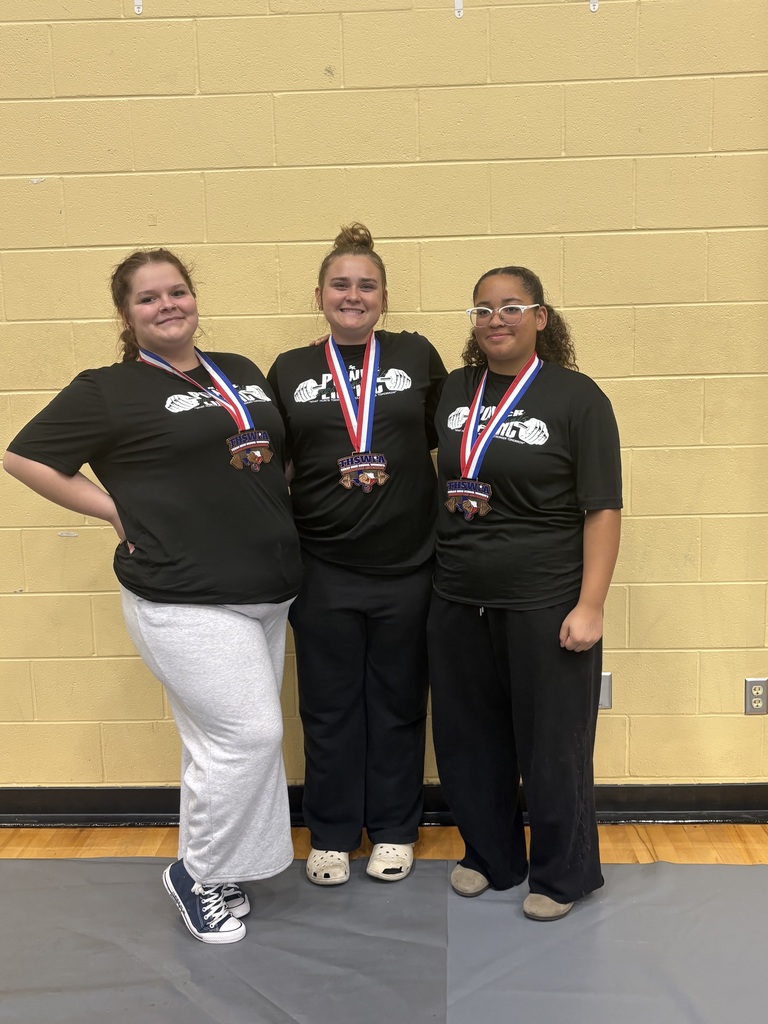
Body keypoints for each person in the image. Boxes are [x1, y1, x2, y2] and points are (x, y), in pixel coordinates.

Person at [4, 249, 303, 944]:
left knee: (215, 745)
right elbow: (23, 457)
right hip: (184, 594)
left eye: (177, 291)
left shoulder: (240, 371)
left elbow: (269, 456)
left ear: (194, 298)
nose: (167, 305)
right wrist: (114, 510)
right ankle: (197, 876)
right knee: (250, 736)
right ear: (126, 313)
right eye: (148, 297)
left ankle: (220, 868)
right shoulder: (108, 388)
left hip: (267, 589)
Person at [427, 265, 621, 921]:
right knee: (470, 738)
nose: (496, 319)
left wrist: (590, 604)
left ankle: (563, 874)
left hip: (546, 598)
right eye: (483, 308)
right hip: (459, 594)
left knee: (553, 745)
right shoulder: (454, 390)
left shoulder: (577, 397)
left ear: (540, 317)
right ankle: (491, 857)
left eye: (511, 306)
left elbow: (602, 507)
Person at [268, 224, 447, 886]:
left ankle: (395, 829)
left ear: (384, 298)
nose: (353, 295)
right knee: (328, 706)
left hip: (408, 566)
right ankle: (333, 833)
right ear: (319, 295)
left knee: (399, 702)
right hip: (323, 568)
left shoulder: (416, 356)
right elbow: (280, 466)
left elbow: (446, 440)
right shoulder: (289, 368)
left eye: (366, 285)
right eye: (340, 284)